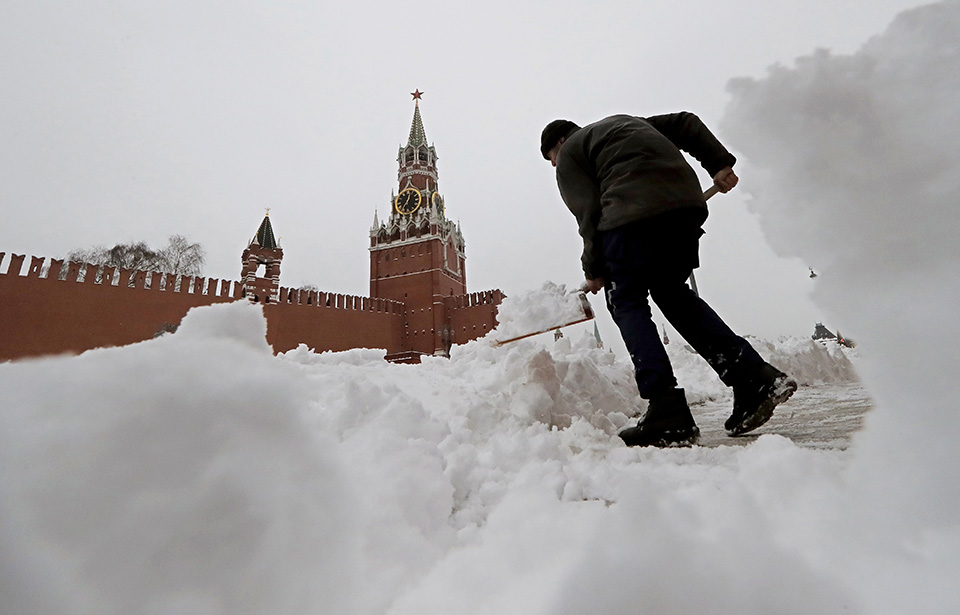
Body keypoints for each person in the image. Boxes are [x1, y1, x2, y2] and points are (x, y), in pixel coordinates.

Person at [540, 113, 797, 447]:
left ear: (559, 143)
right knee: (672, 293)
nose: (554, 166)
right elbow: (685, 123)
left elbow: (588, 213)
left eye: (551, 160)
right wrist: (717, 163)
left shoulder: (571, 152)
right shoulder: (630, 124)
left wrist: (594, 269)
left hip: (631, 214)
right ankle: (754, 378)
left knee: (626, 300)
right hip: (683, 208)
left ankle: (666, 409)